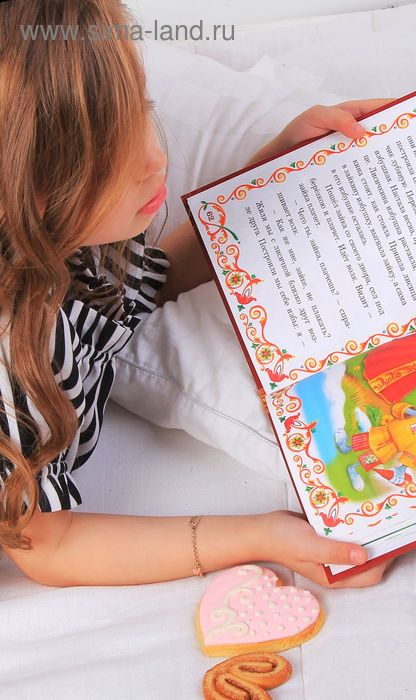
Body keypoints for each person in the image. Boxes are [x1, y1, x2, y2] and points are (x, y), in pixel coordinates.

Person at [0, 0, 392, 588]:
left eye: (143, 109)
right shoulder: (18, 345)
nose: (155, 158)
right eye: (106, 155)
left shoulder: (70, 242)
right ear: (28, 192)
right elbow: (48, 546)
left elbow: (150, 285)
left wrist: (272, 172)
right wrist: (262, 536)